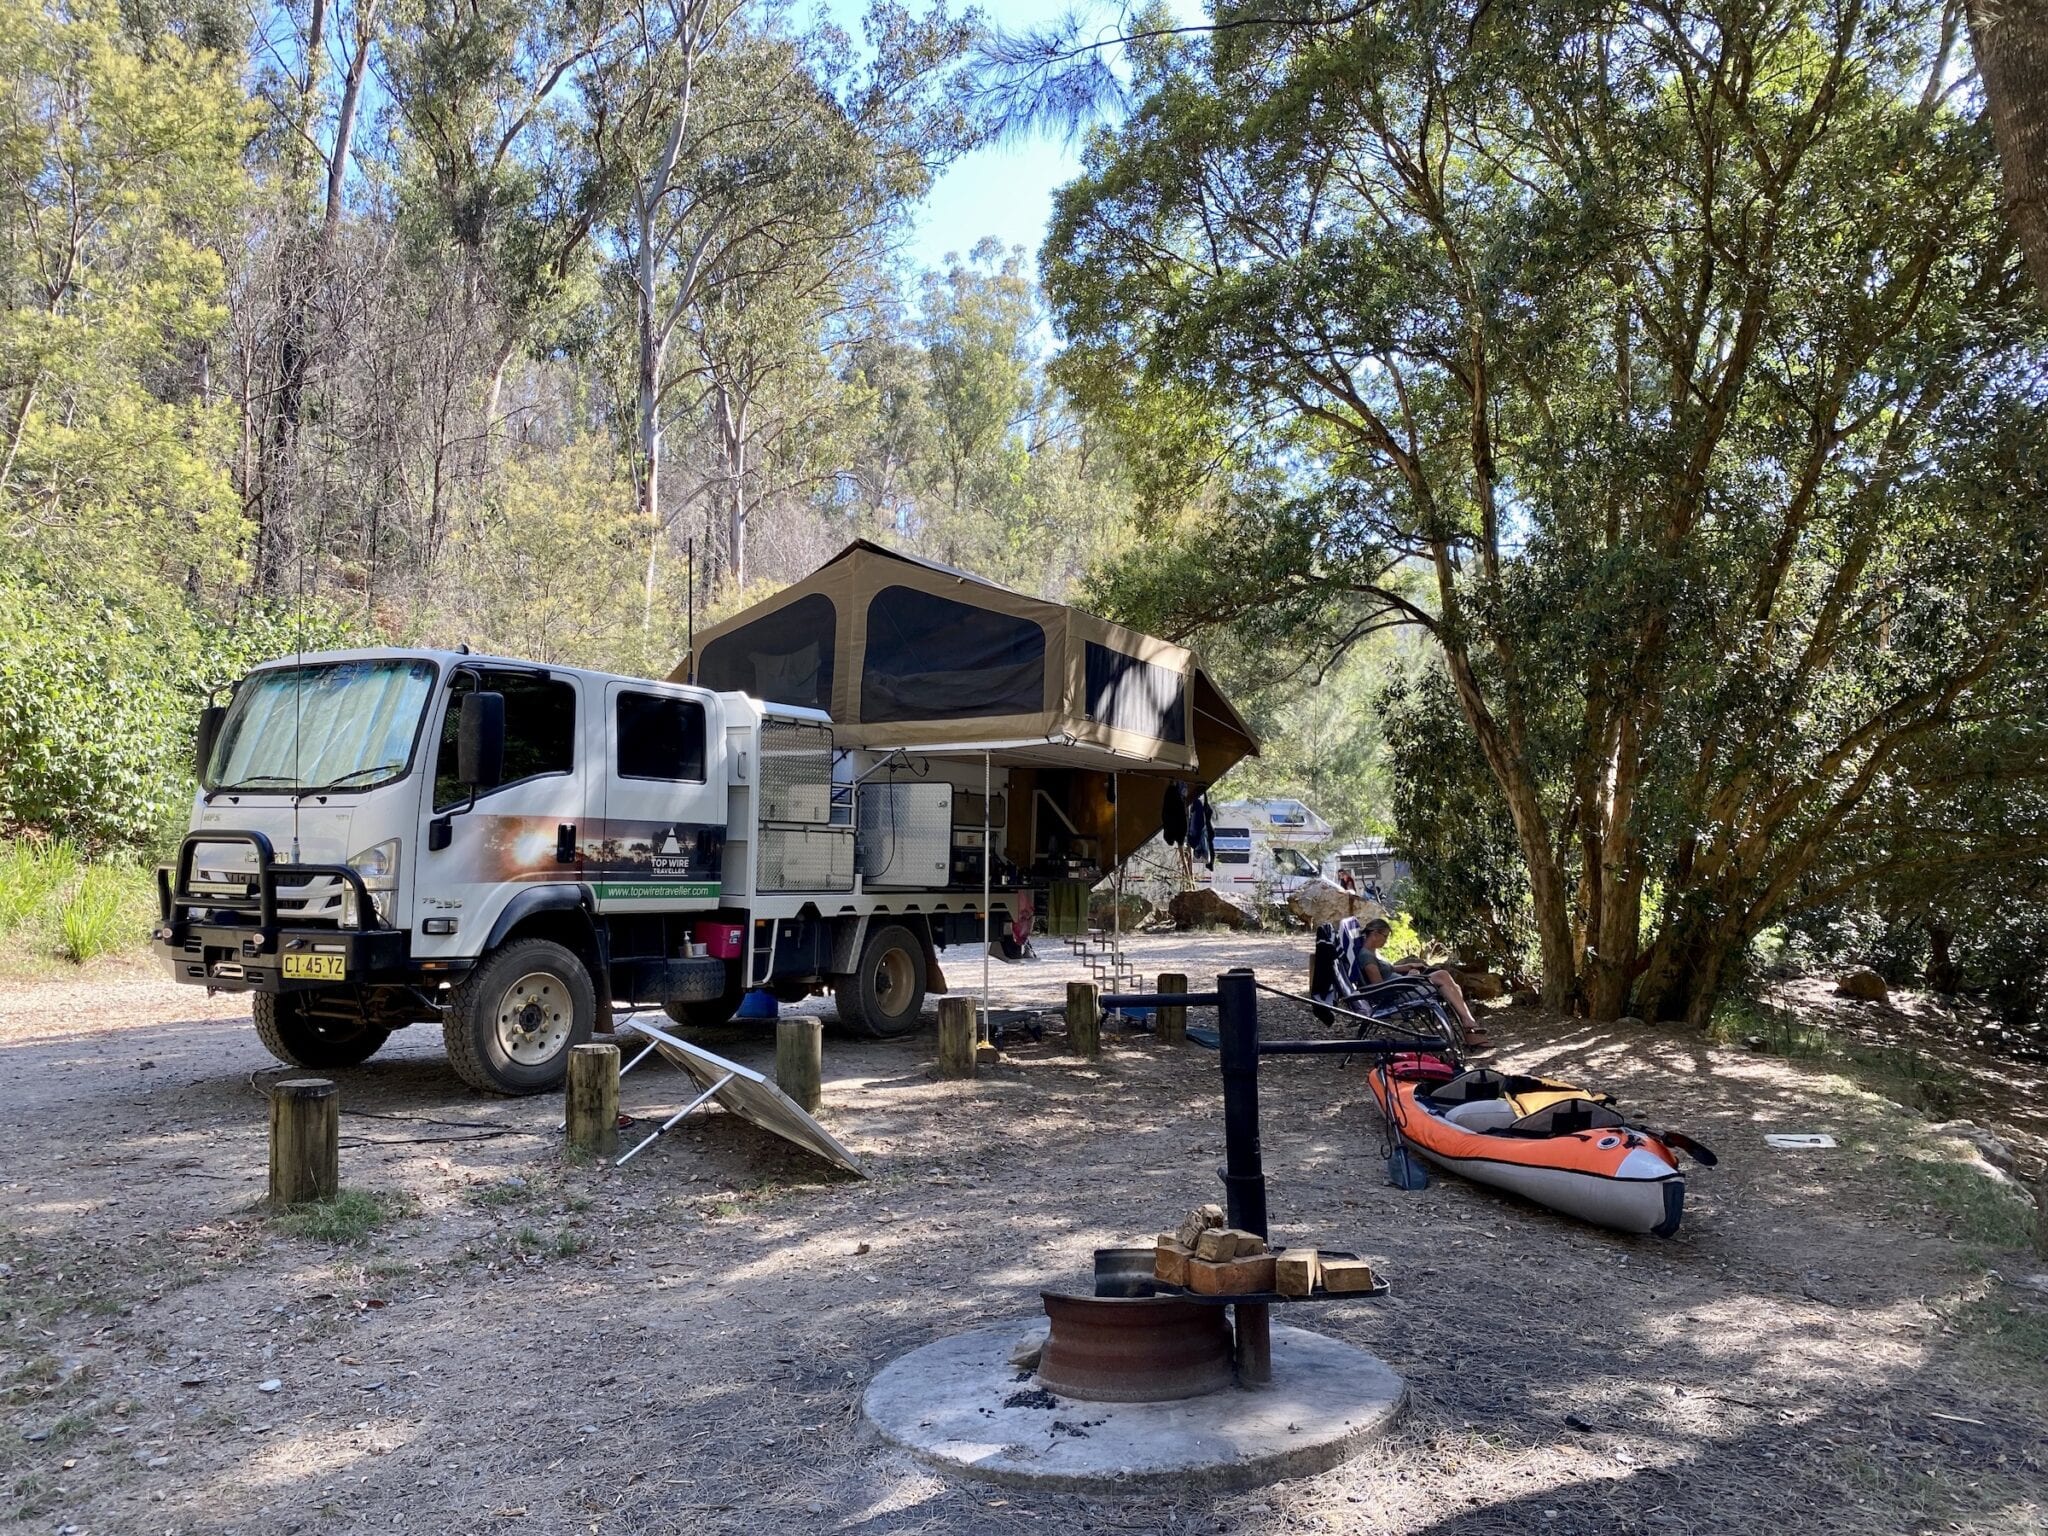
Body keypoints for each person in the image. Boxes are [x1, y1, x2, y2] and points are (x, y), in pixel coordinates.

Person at [1357, 917, 1488, 1048]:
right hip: (1399, 994)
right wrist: (1407, 977)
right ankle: (1469, 1025)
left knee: (1454, 987)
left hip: (1403, 987)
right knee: (1442, 976)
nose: (1386, 940)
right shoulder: (1366, 957)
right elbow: (1380, 987)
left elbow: (1387, 970)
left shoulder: (1372, 952)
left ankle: (1469, 1027)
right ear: (1375, 934)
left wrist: (1408, 966)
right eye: (1385, 936)